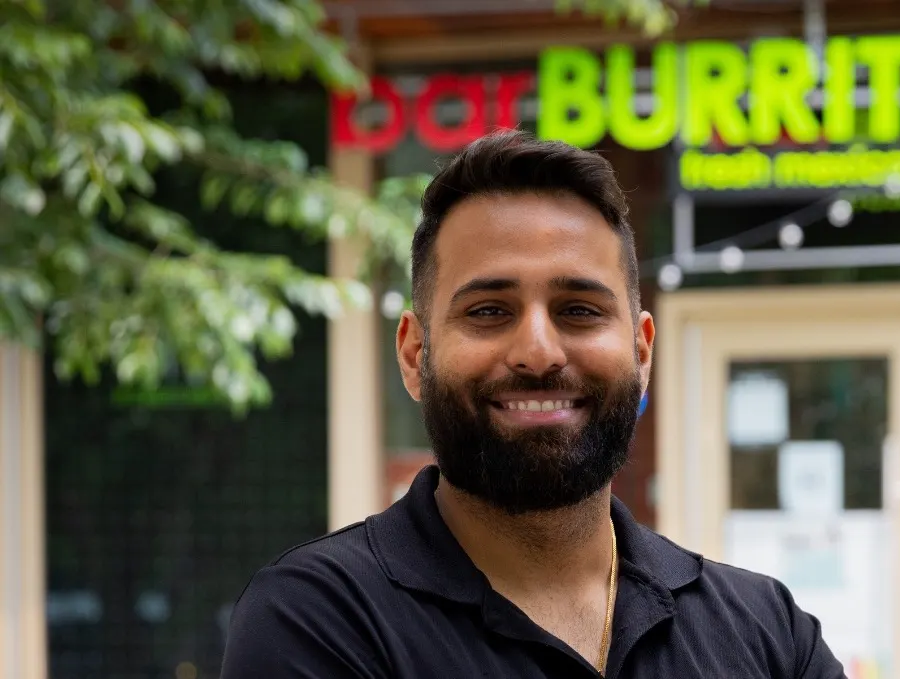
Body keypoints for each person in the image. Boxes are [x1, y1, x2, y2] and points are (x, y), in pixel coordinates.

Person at [219, 130, 847, 679]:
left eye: (579, 310)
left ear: (642, 350)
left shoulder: (769, 635)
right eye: (489, 311)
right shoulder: (320, 622)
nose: (539, 353)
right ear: (414, 354)